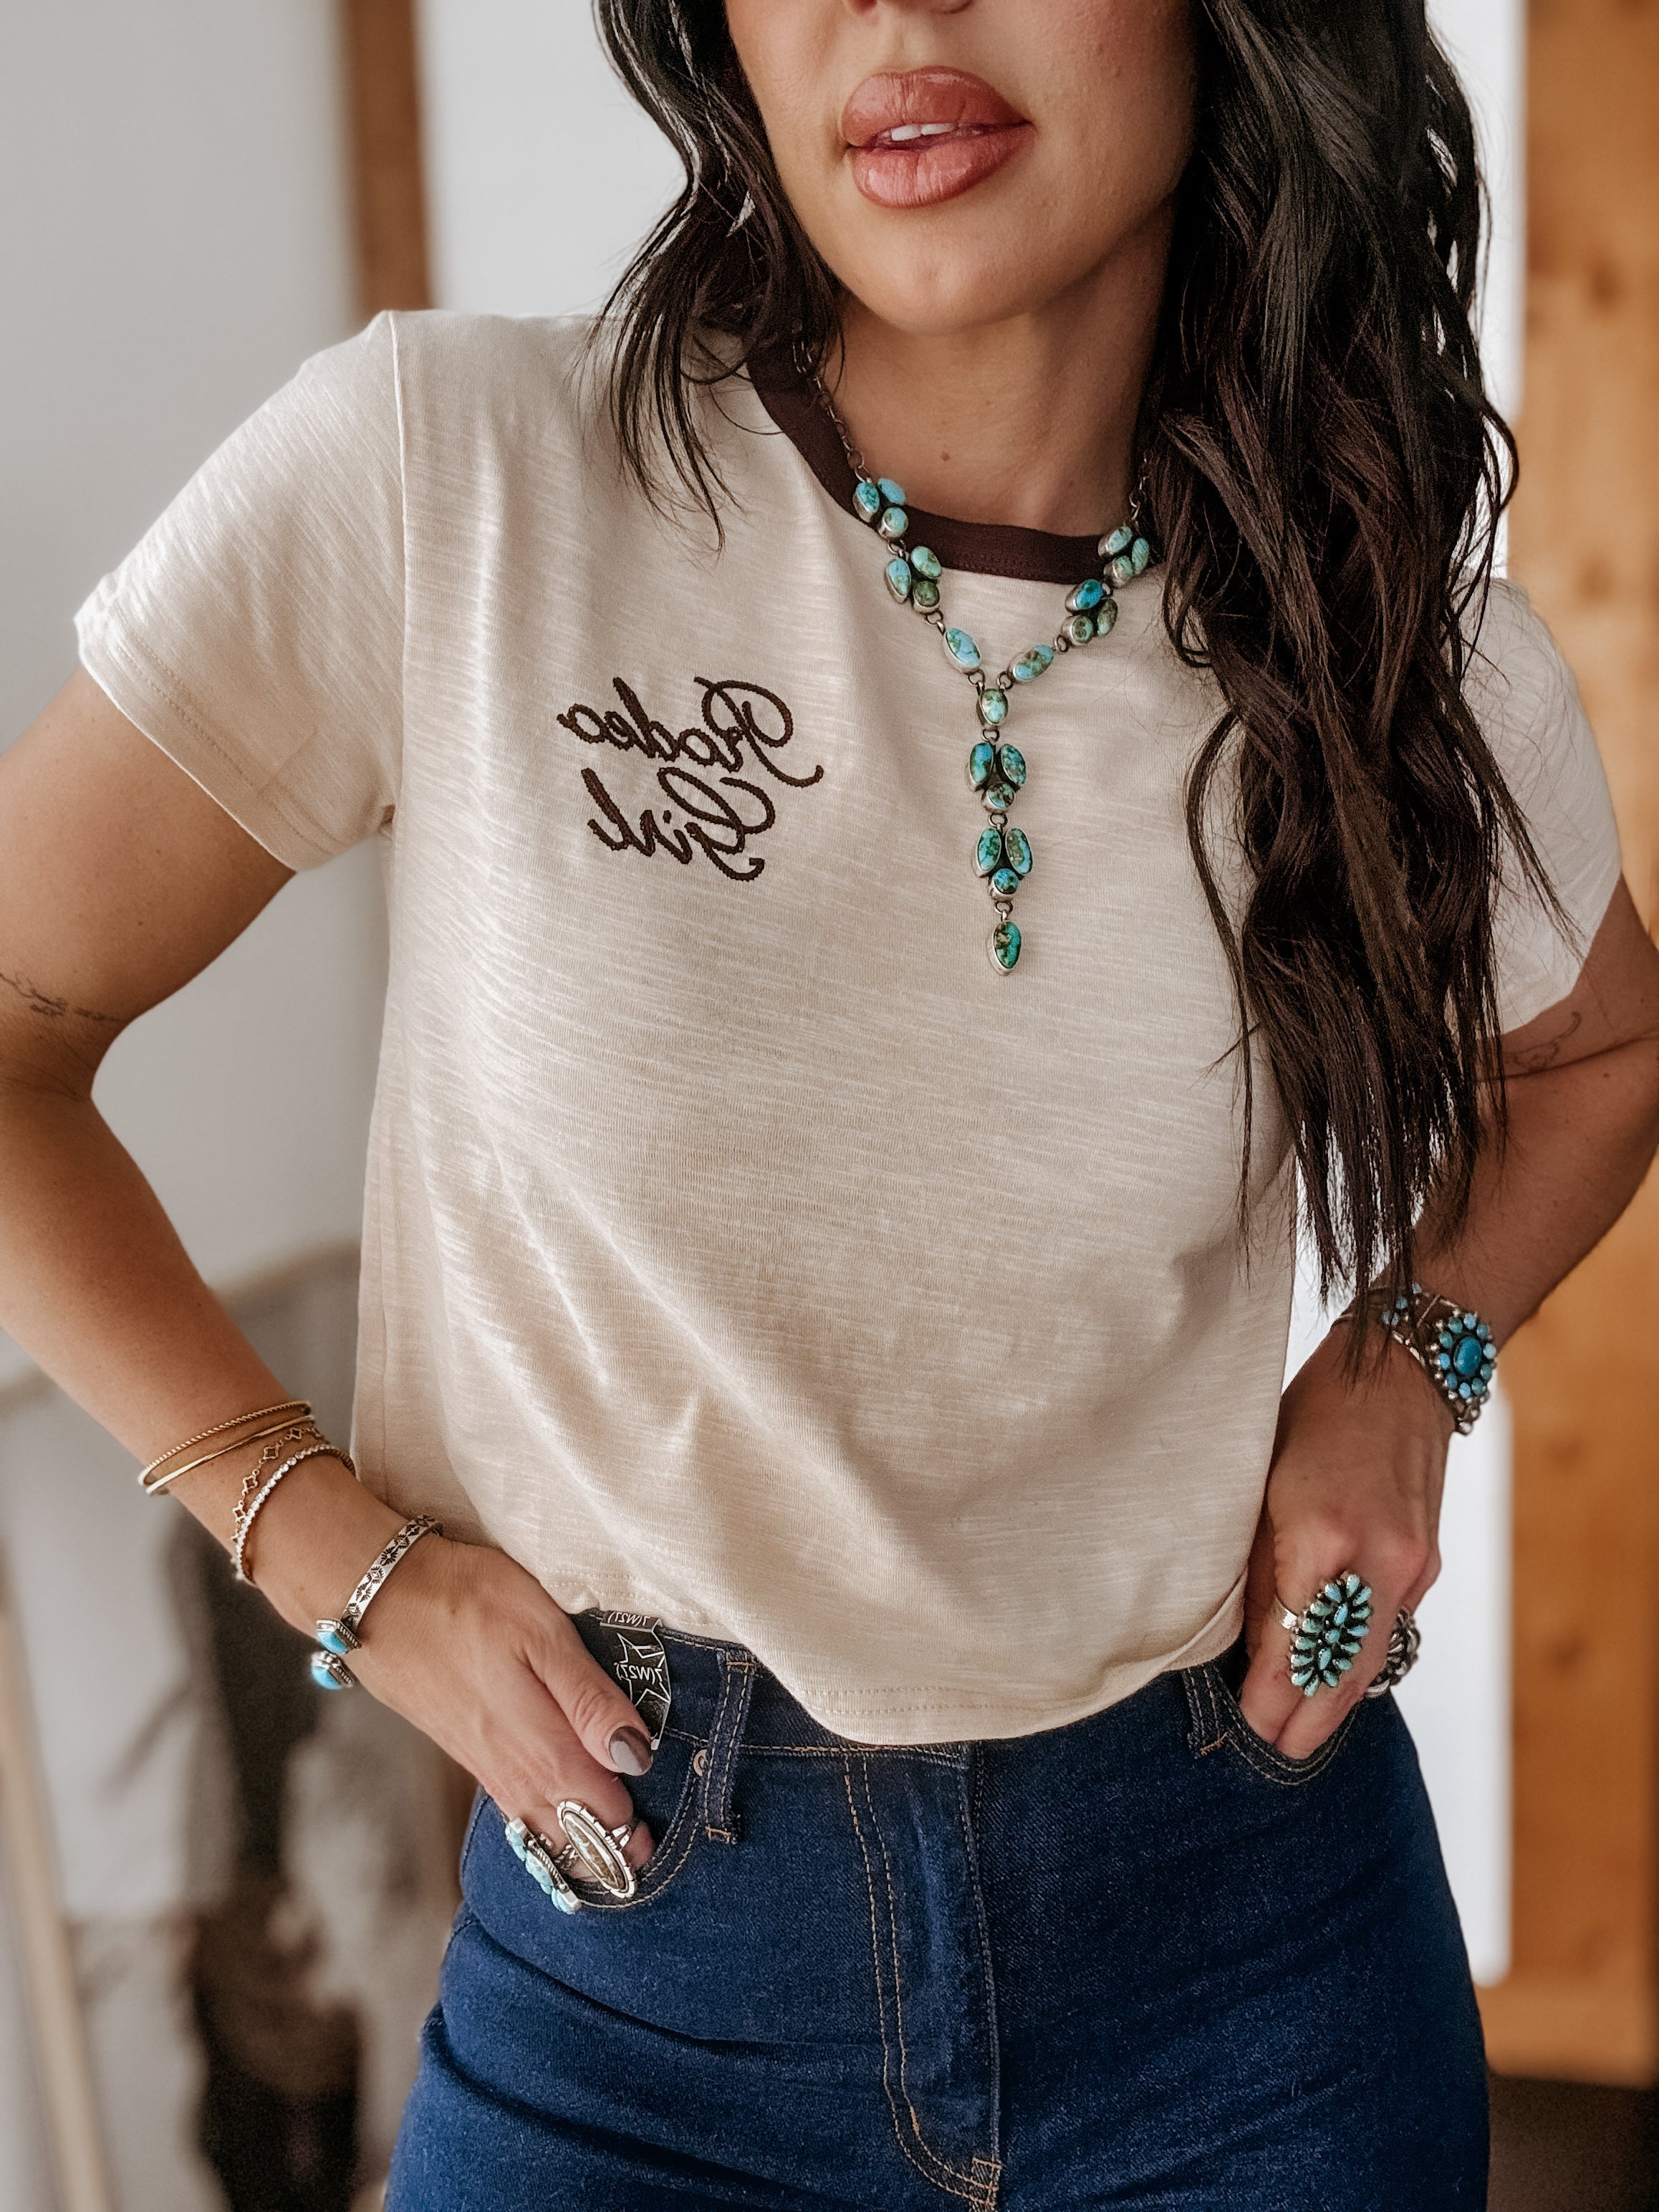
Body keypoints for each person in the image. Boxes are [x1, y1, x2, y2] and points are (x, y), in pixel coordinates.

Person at [2, 1, 1655, 2203]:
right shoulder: (458, 474)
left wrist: (1408, 1360)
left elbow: (1599, 1053)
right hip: (633, 1993)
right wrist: (326, 1549)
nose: (893, 12)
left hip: (1247, 1970)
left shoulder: (1392, 644)